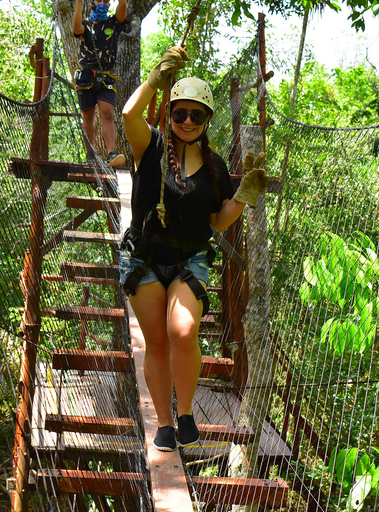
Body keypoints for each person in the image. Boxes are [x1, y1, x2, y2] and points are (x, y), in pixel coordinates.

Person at [120, 47, 268, 451]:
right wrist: (156, 77)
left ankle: (184, 411)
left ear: (207, 120)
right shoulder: (149, 148)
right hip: (144, 258)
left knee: (182, 331)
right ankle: (164, 424)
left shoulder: (215, 167)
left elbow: (217, 220)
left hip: (190, 258)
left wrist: (245, 196)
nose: (187, 121)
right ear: (169, 115)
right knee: (157, 341)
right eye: (180, 113)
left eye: (196, 115)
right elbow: (130, 115)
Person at [73, 0, 127, 167]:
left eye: (106, 1)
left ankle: (112, 152)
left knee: (107, 113)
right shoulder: (85, 24)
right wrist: (79, 2)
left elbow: (123, 8)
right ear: (91, 3)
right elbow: (76, 29)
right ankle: (90, 153)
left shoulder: (113, 23)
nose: (103, 3)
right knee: (88, 116)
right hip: (86, 77)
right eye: (99, 0)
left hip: (106, 77)